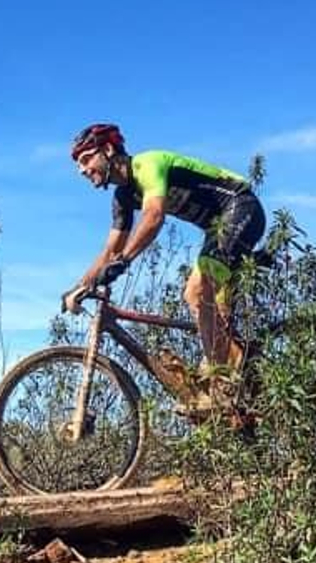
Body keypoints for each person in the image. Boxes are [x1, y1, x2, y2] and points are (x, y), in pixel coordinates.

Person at [64, 122, 265, 403]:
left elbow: (153, 216)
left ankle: (228, 387)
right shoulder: (122, 197)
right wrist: (79, 287)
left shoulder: (148, 164)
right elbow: (111, 248)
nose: (82, 170)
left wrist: (125, 261)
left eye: (86, 160)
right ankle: (239, 388)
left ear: (108, 150)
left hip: (241, 207)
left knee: (197, 294)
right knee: (208, 311)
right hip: (218, 227)